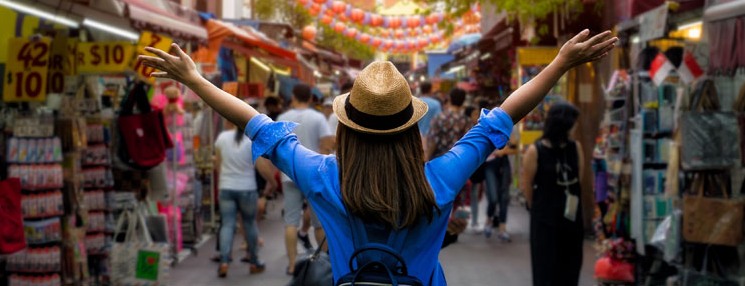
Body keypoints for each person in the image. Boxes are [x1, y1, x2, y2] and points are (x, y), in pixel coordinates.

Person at [138, 28, 615, 286]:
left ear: (347, 128)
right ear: (412, 131)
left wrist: (196, 81)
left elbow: (257, 124)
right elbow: (503, 117)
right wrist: (559, 63)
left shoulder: (325, 178)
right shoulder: (439, 180)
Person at [521, 101, 585, 286]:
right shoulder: (536, 151)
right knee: (545, 268)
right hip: (545, 219)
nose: (576, 126)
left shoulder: (576, 148)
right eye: (573, 121)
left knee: (570, 268)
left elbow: (579, 179)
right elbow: (527, 185)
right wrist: (537, 209)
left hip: (571, 218)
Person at [277, 82, 333, 274]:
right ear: (310, 98)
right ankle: (324, 263)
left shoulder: (283, 117)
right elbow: (326, 145)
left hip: (289, 173)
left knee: (291, 221)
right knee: (319, 223)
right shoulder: (317, 118)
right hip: (313, 174)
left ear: (293, 97)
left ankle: (292, 265)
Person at [213, 124, 276, 277]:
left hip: (226, 187)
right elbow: (262, 167)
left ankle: (224, 261)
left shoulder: (221, 138)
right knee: (250, 224)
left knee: (227, 225)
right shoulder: (251, 141)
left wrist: (224, 181)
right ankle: (254, 262)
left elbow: (218, 165)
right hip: (247, 188)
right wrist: (272, 183)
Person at [426, 87, 470, 160]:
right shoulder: (466, 120)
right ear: (463, 101)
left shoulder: (439, 118)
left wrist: (427, 159)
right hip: (460, 160)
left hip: (441, 160)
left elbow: (433, 142)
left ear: (449, 98)